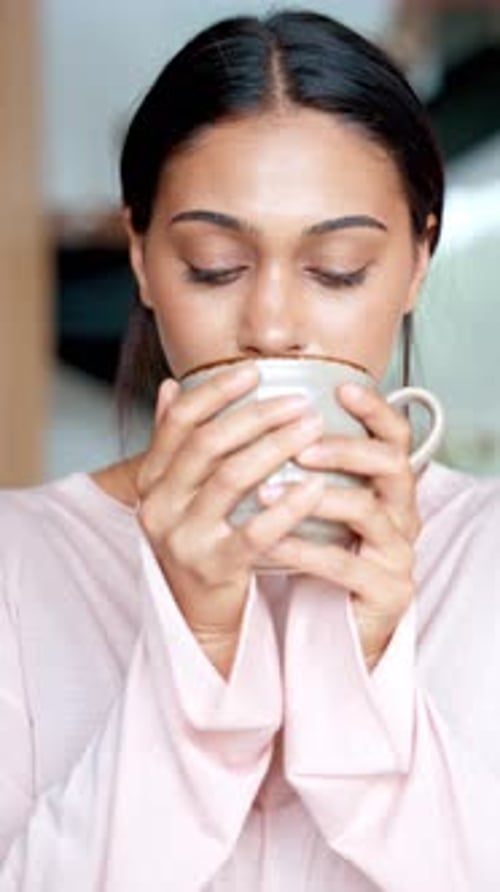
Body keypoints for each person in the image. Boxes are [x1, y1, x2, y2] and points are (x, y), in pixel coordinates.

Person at [1, 9, 499, 891]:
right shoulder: (19, 563)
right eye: (214, 266)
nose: (271, 325)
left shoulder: (485, 555)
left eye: (338, 268)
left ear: (419, 261)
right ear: (145, 260)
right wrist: (193, 638)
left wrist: (369, 654)